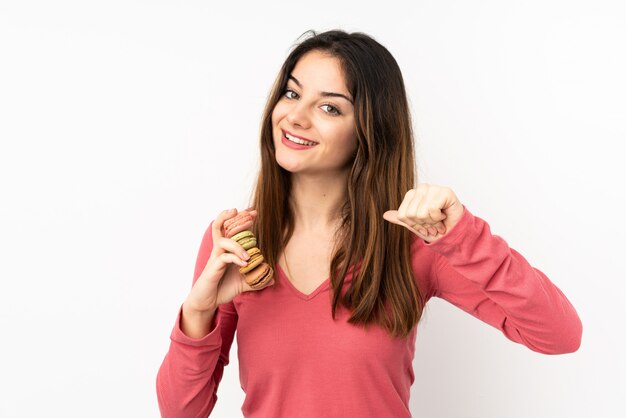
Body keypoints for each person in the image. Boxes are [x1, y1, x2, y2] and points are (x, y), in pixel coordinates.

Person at [156, 29, 582, 418]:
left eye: (329, 107)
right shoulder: (237, 242)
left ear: (369, 131)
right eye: (291, 94)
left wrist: (464, 236)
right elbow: (180, 413)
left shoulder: (417, 244)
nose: (296, 117)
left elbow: (559, 335)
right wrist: (199, 309)